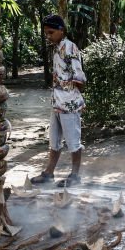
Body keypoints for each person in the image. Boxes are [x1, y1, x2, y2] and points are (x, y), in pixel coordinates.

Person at [31, 14, 86, 187]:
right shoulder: (57, 48)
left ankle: (75, 176)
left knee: (73, 141)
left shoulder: (70, 47)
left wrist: (68, 87)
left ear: (61, 31)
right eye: (46, 33)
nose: (48, 36)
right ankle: (49, 173)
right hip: (57, 102)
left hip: (69, 103)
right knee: (54, 140)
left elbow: (80, 78)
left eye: (51, 32)